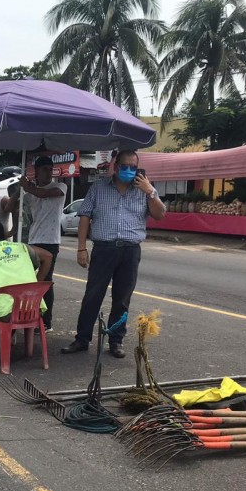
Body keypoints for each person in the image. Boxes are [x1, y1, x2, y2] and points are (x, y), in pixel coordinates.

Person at [61, 150, 166, 358]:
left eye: (133, 167)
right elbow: (85, 217)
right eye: (124, 167)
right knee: (93, 295)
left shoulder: (145, 190)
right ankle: (82, 339)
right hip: (103, 249)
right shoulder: (99, 188)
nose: (129, 171)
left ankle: (116, 341)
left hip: (130, 251)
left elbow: (160, 214)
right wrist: (81, 248)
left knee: (122, 299)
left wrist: (150, 191)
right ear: (116, 167)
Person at [0, 219, 53, 359]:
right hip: (33, 309)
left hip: (6, 312)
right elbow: (47, 256)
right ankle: (5, 342)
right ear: (3, 235)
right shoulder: (22, 248)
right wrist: (35, 284)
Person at [13, 156, 67, 331]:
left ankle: (45, 321)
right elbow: (13, 207)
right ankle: (26, 314)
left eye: (50, 170)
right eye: (44, 169)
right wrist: (19, 190)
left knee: (45, 282)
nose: (48, 173)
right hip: (33, 240)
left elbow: (44, 194)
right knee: (26, 279)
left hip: (50, 241)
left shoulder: (60, 187)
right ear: (36, 171)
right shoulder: (29, 194)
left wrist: (28, 186)